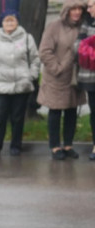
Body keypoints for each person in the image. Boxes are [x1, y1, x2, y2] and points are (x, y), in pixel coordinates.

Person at [0, 11, 39, 156]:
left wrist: (31, 75)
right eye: (6, 21)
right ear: (1, 23)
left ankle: (16, 145)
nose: (9, 24)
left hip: (22, 84)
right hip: (1, 84)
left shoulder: (27, 38)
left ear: (17, 22)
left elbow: (35, 59)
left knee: (18, 117)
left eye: (12, 21)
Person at [38, 0, 87, 160]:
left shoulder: (83, 26)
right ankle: (54, 146)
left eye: (80, 8)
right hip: (56, 78)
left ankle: (68, 144)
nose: (77, 12)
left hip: (75, 77)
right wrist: (57, 68)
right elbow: (45, 51)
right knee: (55, 110)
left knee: (72, 110)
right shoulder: (54, 27)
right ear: (67, 10)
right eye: (73, 8)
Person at [80, 0, 95, 160]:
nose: (88, 9)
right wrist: (89, 52)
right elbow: (79, 44)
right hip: (92, 76)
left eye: (91, 6)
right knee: (94, 112)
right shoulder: (87, 24)